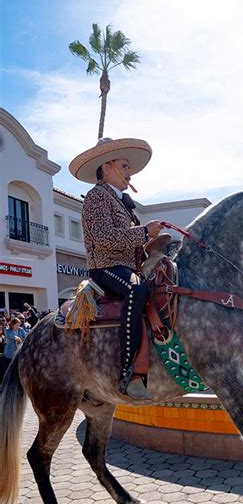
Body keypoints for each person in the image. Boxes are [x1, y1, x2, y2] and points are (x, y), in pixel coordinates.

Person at [69, 137, 164, 400]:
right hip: (105, 267)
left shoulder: (122, 202)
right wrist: (144, 231)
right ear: (107, 166)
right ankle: (127, 372)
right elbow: (103, 238)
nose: (128, 172)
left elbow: (130, 239)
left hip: (127, 265)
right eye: (124, 166)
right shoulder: (96, 197)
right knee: (137, 289)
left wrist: (151, 241)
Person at [0, 317, 26, 383]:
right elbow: (10, 337)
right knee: (8, 369)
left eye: (19, 325)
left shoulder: (21, 330)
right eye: (17, 325)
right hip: (9, 354)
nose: (18, 326)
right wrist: (17, 338)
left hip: (18, 353)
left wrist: (21, 339)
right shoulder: (7, 330)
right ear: (12, 324)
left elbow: (25, 337)